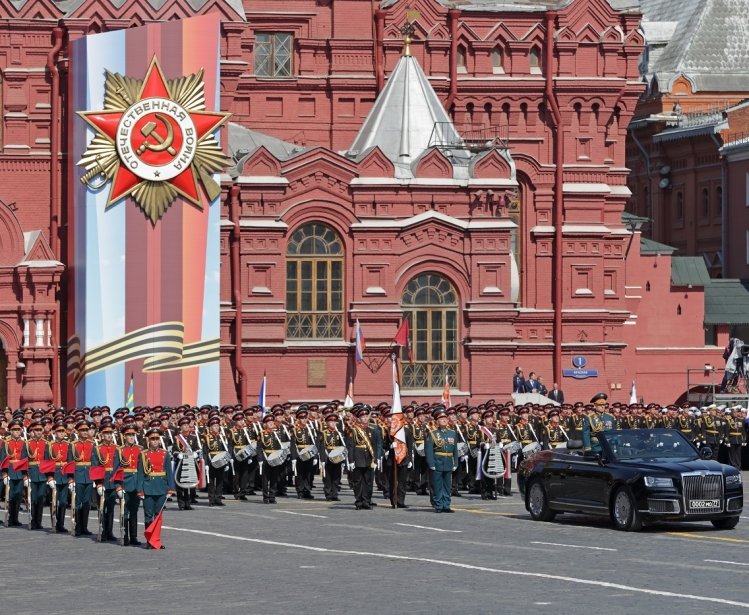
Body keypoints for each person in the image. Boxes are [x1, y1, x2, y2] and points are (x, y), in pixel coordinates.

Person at [137, 428, 175, 550]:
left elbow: (169, 472)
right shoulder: (143, 454)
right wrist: (140, 490)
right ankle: (149, 541)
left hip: (161, 487)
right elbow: (140, 474)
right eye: (152, 439)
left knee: (158, 516)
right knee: (148, 515)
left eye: (157, 439)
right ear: (148, 441)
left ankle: (156, 540)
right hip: (148, 487)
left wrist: (171, 488)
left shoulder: (165, 454)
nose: (155, 441)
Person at [345, 406, 381, 510]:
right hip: (358, 459)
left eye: (366, 416)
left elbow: (375, 445)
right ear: (359, 419)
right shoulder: (354, 430)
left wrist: (376, 458)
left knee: (368, 481)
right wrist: (351, 460)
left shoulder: (372, 430)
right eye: (362, 417)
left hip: (369, 459)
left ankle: (366, 501)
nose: (365, 418)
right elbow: (351, 446)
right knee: (358, 482)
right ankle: (359, 501)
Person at [425, 407, 459, 513]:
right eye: (441, 419)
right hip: (437, 461)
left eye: (445, 418)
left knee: (447, 485)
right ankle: (438, 505)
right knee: (437, 485)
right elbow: (429, 450)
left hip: (448, 461)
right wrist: (431, 463)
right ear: (437, 421)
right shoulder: (433, 433)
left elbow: (455, 450)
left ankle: (446, 505)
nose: (444, 420)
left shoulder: (452, 433)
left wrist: (455, 462)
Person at [67, 421, 95, 537]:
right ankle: (77, 527)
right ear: (78, 432)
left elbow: (94, 462)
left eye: (86, 430)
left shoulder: (92, 444)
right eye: (82, 430)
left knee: (87, 503)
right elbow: (69, 463)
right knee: (77, 503)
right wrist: (70, 479)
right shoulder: (73, 445)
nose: (85, 432)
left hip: (88, 476)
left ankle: (84, 527)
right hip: (77, 476)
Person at [1, 419, 29, 527]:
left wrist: (26, 475)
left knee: (18, 496)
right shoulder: (6, 442)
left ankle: (15, 518)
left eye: (18, 429)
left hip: (20, 472)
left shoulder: (24, 443)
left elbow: (26, 459)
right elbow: (3, 459)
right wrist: (4, 474)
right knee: (10, 496)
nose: (17, 431)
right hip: (10, 471)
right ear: (11, 431)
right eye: (15, 429)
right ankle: (10, 518)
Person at [118, 425, 143, 546]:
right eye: (129, 435)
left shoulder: (140, 449)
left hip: (137, 483)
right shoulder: (120, 450)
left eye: (133, 435)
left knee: (134, 510)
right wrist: (118, 486)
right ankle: (125, 536)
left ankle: (134, 536)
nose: (132, 437)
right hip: (125, 483)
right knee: (125, 511)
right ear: (125, 436)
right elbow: (116, 470)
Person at [290, 409, 317, 500]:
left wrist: (315, 456)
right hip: (299, 454)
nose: (304, 420)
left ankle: (307, 490)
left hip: (309, 453)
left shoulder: (310, 429)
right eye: (302, 418)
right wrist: (293, 457)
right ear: (298, 419)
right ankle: (300, 491)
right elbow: (293, 445)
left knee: (308, 473)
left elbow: (314, 443)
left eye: (305, 418)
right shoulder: (294, 430)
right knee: (300, 474)